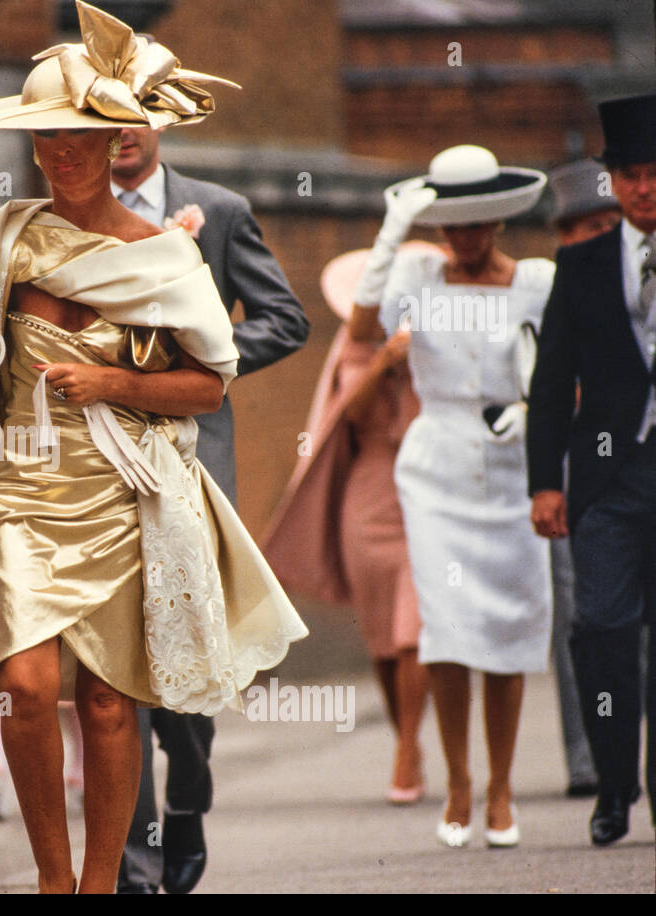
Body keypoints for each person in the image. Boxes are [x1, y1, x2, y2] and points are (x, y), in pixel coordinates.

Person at [0, 0, 307, 893]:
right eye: (45, 137)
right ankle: (53, 880)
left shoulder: (166, 257)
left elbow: (209, 383)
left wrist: (116, 384)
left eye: (78, 136)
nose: (60, 152)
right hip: (22, 491)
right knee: (27, 681)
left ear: (114, 137)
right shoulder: (6, 236)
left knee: (112, 704)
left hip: (122, 495)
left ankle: (97, 885)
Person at [109, 117, 310, 895]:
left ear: (158, 121)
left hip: (193, 460)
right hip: (101, 462)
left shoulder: (215, 211)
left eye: (135, 117)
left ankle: (187, 794)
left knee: (186, 663)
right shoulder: (66, 214)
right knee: (117, 668)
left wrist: (204, 356)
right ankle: (135, 857)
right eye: (103, 119)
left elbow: (286, 319)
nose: (120, 135)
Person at [348, 144, 552, 849]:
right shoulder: (414, 272)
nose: (464, 239)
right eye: (451, 225)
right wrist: (389, 231)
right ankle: (458, 783)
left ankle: (501, 786)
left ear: (497, 222)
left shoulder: (534, 282)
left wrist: (528, 412)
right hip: (434, 465)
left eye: (477, 225)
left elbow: (564, 376)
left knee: (506, 626)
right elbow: (357, 328)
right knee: (444, 626)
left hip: (511, 464)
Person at [264, 244, 440, 806]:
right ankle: (403, 735)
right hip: (370, 496)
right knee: (386, 639)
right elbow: (354, 415)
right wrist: (388, 360)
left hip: (430, 489)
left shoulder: (444, 337)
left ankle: (408, 747)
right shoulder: (356, 345)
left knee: (416, 630)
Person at [528, 94, 656, 846]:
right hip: (606, 479)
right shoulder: (578, 265)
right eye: (631, 175)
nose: (645, 187)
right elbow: (551, 381)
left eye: (655, 173)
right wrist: (546, 482)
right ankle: (613, 781)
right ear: (614, 182)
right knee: (602, 624)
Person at [540, 160, 622, 799]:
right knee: (583, 615)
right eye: (582, 227)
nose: (597, 235)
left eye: (606, 223)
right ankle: (587, 758)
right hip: (576, 465)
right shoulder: (557, 285)